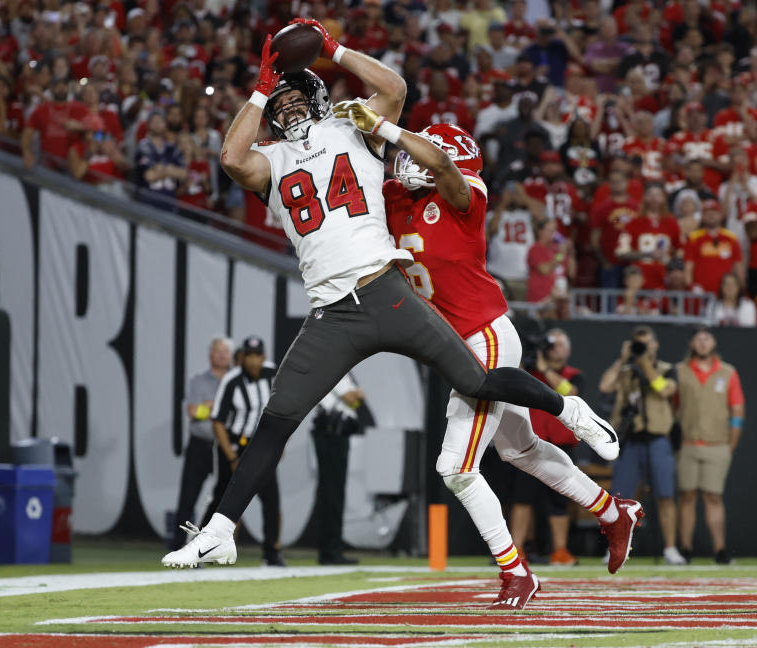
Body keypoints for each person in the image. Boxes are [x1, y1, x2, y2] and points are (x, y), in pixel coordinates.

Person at [163, 20, 623, 577]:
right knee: (277, 419)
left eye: (291, 97)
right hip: (332, 312)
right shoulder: (271, 160)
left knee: (476, 380)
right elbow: (233, 159)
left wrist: (333, 49)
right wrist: (262, 84)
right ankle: (218, 533)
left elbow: (395, 90)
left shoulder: (350, 126)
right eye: (276, 106)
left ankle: (569, 410)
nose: (284, 111)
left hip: (386, 289)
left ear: (316, 94)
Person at [329, 107, 640, 607]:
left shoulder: (465, 197)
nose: (411, 160)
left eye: (427, 152)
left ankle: (516, 573)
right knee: (519, 450)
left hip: (484, 334)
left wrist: (390, 129)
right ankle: (611, 512)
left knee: (456, 468)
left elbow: (447, 172)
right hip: (456, 339)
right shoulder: (395, 197)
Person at [600, 325, 688, 566]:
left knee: (665, 496)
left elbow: (664, 390)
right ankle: (616, 548)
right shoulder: (627, 371)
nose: (643, 348)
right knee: (620, 499)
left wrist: (645, 363)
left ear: (655, 344)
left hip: (658, 438)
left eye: (647, 343)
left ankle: (670, 548)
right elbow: (605, 386)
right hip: (630, 440)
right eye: (639, 344)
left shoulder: (667, 370)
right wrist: (623, 359)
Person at [204, 336, 284, 567]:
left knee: (271, 501)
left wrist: (279, 443)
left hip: (262, 446)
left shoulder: (273, 374)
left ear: (263, 356)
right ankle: (209, 548)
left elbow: (283, 413)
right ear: (242, 357)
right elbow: (218, 421)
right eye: (249, 356)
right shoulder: (232, 380)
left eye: (257, 355)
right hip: (235, 445)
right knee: (223, 500)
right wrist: (230, 456)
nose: (253, 361)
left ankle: (271, 553)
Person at [675, 328, 745, 565]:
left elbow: (737, 411)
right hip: (688, 442)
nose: (703, 343)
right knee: (687, 497)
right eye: (699, 338)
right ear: (692, 343)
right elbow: (673, 408)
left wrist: (730, 444)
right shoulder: (681, 371)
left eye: (707, 338)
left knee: (714, 497)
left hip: (718, 444)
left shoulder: (727, 372)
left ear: (714, 342)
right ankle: (684, 549)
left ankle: (721, 549)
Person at [527, 329, 586, 566]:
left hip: (561, 444)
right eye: (551, 344)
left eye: (559, 344)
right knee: (524, 499)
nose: (554, 348)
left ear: (567, 350)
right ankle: (522, 549)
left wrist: (545, 370)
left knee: (559, 500)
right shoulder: (530, 372)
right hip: (531, 442)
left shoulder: (574, 375)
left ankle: (560, 550)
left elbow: (568, 393)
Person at [169, 336, 233, 551]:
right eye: (218, 351)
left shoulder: (235, 379)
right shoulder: (199, 381)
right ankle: (179, 546)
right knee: (188, 497)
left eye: (226, 351)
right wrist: (220, 407)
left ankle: (206, 546)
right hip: (201, 444)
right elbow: (193, 411)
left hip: (224, 447)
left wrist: (209, 407)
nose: (222, 355)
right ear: (210, 355)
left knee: (222, 500)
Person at [311, 373, 369, 565]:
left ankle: (331, 549)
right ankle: (329, 551)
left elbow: (356, 401)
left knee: (334, 493)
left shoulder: (340, 369)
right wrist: (357, 394)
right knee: (332, 493)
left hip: (336, 433)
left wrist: (357, 396)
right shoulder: (334, 367)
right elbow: (352, 398)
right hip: (330, 433)